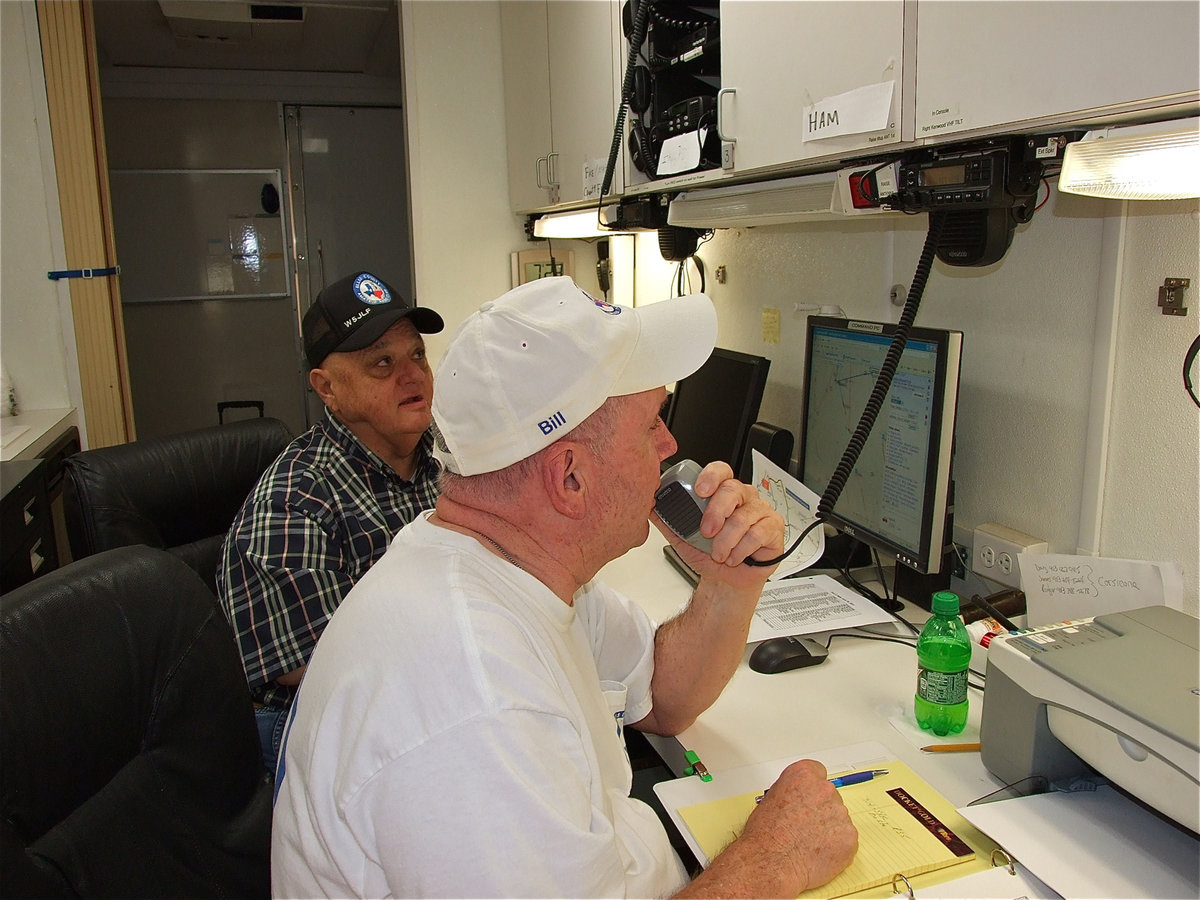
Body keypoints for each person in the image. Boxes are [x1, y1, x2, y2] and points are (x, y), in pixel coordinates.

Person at [270, 277, 858, 898]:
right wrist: (774, 859)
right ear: (570, 479)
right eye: (651, 425)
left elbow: (664, 698)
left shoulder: (516, 568)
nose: (671, 445)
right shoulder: (474, 698)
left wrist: (730, 582)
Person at [216, 270, 444, 775]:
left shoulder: (447, 457)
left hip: (422, 690)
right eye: (382, 363)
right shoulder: (290, 504)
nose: (413, 376)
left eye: (417, 355)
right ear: (327, 388)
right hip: (317, 725)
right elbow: (339, 673)